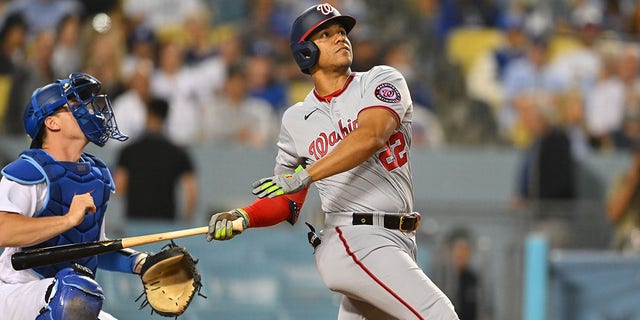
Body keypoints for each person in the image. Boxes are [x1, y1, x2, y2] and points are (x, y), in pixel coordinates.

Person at [206, 3, 460, 319]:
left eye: (341, 31)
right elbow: (287, 203)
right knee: (439, 314)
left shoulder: (380, 80)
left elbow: (372, 136)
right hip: (353, 237)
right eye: (326, 34)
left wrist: (306, 173)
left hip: (398, 239)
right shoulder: (296, 119)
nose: (340, 38)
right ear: (305, 53)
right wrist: (243, 216)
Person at [0, 72, 148, 319]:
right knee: (74, 295)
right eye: (75, 106)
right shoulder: (29, 171)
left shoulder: (97, 176)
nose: (89, 111)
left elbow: (92, 249)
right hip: (15, 291)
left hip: (67, 295)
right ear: (51, 123)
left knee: (81, 298)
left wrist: (139, 262)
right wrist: (67, 220)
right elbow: (3, 230)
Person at [114, 97, 198, 222]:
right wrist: (186, 220)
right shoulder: (178, 152)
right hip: (166, 223)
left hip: (135, 221)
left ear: (147, 115)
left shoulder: (129, 151)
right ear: (165, 117)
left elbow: (119, 186)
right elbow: (191, 192)